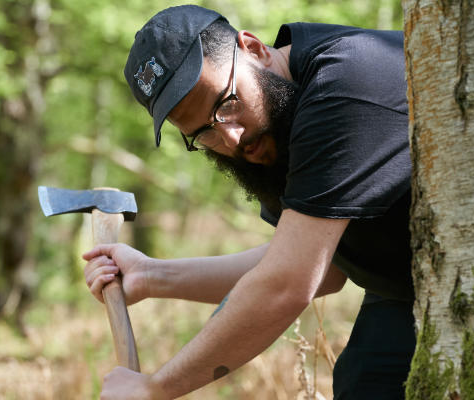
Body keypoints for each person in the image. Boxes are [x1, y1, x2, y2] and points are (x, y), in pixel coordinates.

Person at [82, 4, 415, 399]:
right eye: (203, 133)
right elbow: (323, 265)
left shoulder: (343, 84)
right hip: (406, 287)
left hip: (472, 269)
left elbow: (287, 283)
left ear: (254, 49)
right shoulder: (273, 130)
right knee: (364, 382)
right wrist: (153, 276)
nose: (232, 140)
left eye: (226, 104)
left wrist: (155, 388)